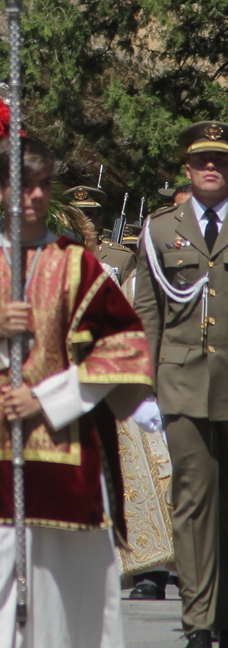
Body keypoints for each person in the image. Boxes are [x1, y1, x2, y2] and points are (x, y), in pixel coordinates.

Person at [0, 136, 153, 648]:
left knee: (63, 604)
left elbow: (126, 348)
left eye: (42, 186)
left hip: (64, 452)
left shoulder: (79, 267)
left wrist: (49, 398)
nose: (34, 198)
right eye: (22, 187)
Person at [135, 121, 228, 647]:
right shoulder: (159, 229)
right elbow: (149, 314)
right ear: (188, 170)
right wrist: (142, 386)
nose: (212, 168)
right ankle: (199, 621)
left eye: (221, 160)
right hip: (183, 380)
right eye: (202, 161)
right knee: (192, 503)